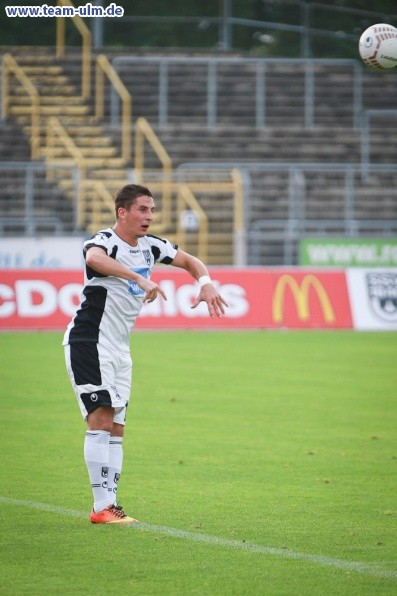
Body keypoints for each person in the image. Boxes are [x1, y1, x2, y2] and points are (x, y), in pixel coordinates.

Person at [63, 183, 228, 524]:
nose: (149, 217)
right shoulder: (105, 241)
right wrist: (139, 279)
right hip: (89, 342)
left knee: (117, 427)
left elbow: (189, 260)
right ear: (122, 212)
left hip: (121, 349)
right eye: (142, 209)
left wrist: (206, 282)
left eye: (152, 210)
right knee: (101, 417)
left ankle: (109, 506)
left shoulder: (152, 246)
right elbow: (93, 258)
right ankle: (101, 506)